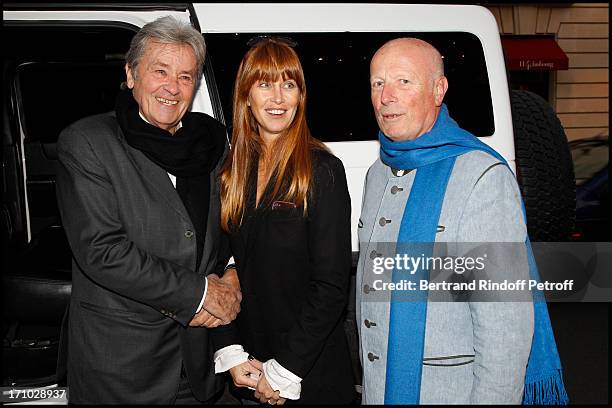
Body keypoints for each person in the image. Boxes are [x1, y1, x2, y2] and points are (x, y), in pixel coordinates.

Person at [356, 38, 568, 404]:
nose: (386, 96)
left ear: (439, 90)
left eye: (403, 81)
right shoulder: (378, 173)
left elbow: (505, 330)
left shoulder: (481, 177)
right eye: (378, 83)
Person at [55, 16, 241, 404]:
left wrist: (233, 273)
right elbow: (102, 251)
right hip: (122, 367)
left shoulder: (211, 143)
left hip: (199, 358)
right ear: (131, 74)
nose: (172, 88)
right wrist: (201, 293)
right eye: (160, 71)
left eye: (186, 76)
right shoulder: (88, 143)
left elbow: (226, 228)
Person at [211, 37, 356, 405]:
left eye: (288, 85)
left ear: (300, 96)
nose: (278, 98)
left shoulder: (321, 170)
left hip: (307, 375)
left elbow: (331, 286)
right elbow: (218, 268)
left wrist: (284, 370)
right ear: (246, 95)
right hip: (249, 370)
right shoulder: (231, 173)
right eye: (264, 84)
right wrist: (230, 350)